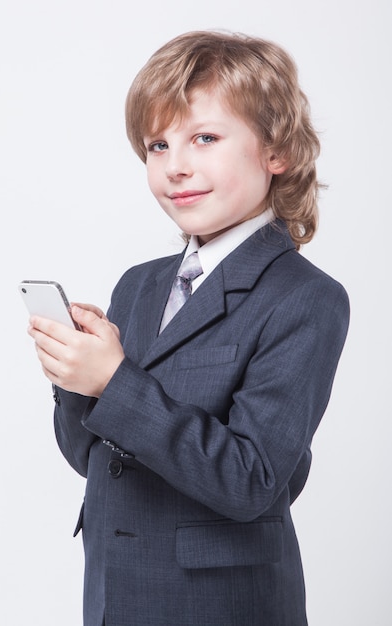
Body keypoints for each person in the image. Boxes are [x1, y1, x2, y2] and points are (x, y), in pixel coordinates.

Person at [28, 30, 350, 626]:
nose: (176, 166)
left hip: (219, 605)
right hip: (112, 591)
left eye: (204, 137)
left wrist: (115, 381)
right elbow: (91, 459)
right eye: (157, 145)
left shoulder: (306, 299)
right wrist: (78, 379)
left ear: (276, 151)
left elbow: (250, 481)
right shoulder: (140, 284)